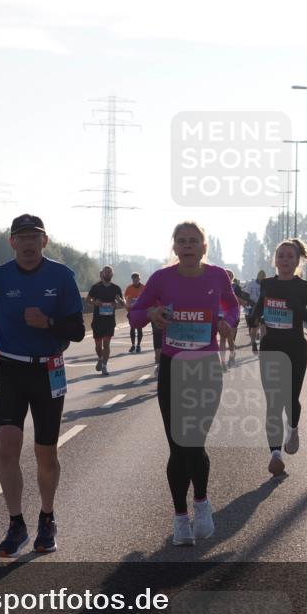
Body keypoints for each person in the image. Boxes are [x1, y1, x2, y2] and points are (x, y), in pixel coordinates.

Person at [0, 214, 85, 557]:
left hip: (48, 369)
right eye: (22, 237)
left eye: (35, 237)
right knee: (6, 446)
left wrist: (48, 322)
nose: (28, 243)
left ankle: (47, 518)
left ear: (45, 241)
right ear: (12, 243)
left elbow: (77, 330)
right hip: (10, 368)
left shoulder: (62, 276)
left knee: (45, 452)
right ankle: (16, 523)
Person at [128, 222, 239, 546]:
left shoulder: (218, 276)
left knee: (194, 442)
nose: (188, 246)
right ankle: (180, 517)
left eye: (194, 241)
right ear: (174, 247)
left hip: (206, 369)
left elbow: (232, 306)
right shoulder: (162, 279)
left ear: (204, 247)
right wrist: (153, 312)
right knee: (179, 446)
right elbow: (135, 315)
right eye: (182, 241)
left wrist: (227, 322)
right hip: (173, 368)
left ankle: (201, 503)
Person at [249, 239, 307, 477]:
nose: (285, 260)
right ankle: (275, 454)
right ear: (275, 259)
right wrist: (255, 317)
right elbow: (259, 308)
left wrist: (296, 307)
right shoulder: (268, 284)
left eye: (290, 256)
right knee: (273, 402)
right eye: (281, 256)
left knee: (291, 399)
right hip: (270, 347)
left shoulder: (304, 287)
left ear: (298, 260)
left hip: (296, 349)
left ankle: (293, 427)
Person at [86, 266, 124, 375]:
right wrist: (95, 303)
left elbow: (121, 303)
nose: (107, 274)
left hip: (109, 320)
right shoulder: (96, 287)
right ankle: (101, 357)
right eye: (105, 272)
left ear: (112, 274)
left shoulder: (116, 288)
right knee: (98, 346)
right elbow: (88, 299)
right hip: (98, 320)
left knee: (106, 344)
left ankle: (104, 366)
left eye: (109, 272)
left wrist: (119, 301)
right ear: (102, 274)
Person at [217, 269, 240, 369]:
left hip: (231, 313)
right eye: (226, 274)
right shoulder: (216, 285)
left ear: (232, 278)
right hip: (220, 314)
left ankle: (231, 356)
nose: (228, 276)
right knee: (222, 339)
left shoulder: (234, 287)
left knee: (230, 339)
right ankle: (222, 363)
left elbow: (238, 301)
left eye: (230, 275)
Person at [244, 270, 266, 353]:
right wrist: (252, 302)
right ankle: (253, 343)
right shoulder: (251, 284)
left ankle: (262, 346)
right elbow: (244, 295)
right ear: (257, 277)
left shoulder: (266, 284)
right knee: (254, 328)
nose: (261, 280)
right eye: (260, 278)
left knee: (263, 328)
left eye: (263, 279)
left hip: (264, 309)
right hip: (254, 309)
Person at [124, 272, 146, 353]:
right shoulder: (129, 288)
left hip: (140, 311)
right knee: (132, 328)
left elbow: (147, 298)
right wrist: (127, 307)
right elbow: (126, 298)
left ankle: (138, 345)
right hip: (131, 311)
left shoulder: (144, 287)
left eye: (136, 279)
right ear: (132, 280)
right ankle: (133, 345)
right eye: (133, 279)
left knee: (139, 328)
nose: (135, 280)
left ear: (139, 279)